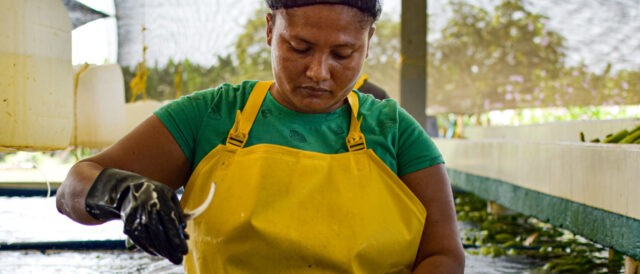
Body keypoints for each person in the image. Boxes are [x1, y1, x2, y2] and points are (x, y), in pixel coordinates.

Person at [56, 0, 465, 273]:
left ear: (368, 43)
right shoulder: (211, 116)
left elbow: (443, 254)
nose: (319, 72)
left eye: (343, 54)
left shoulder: (394, 130)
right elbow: (72, 187)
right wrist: (122, 193)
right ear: (271, 29)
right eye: (300, 47)